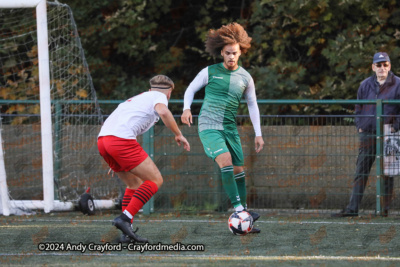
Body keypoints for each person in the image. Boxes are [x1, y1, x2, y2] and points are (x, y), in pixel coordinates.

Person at [181, 23, 264, 233]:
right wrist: (186, 108)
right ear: (221, 53)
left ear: (240, 52)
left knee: (238, 170)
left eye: (235, 53)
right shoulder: (209, 72)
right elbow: (190, 89)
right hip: (209, 126)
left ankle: (245, 216)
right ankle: (239, 210)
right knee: (225, 161)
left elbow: (253, 105)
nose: (231, 57)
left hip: (229, 128)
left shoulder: (245, 77)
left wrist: (258, 134)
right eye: (227, 53)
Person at [98, 75, 190, 242]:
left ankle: (127, 233)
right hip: (119, 141)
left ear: (149, 89)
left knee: (133, 184)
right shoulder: (159, 96)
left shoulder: (136, 99)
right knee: (155, 180)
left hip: (104, 140)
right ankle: (125, 218)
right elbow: (163, 111)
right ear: (169, 93)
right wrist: (178, 134)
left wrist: (116, 155)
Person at [332, 52, 400, 217]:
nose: (382, 68)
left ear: (390, 66)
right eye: (379, 65)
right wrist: (360, 126)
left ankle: (384, 210)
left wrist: (395, 127)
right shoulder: (365, 85)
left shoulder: (398, 84)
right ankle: (352, 209)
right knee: (361, 171)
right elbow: (358, 107)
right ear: (373, 67)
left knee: (387, 173)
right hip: (368, 133)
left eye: (385, 64)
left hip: (389, 134)